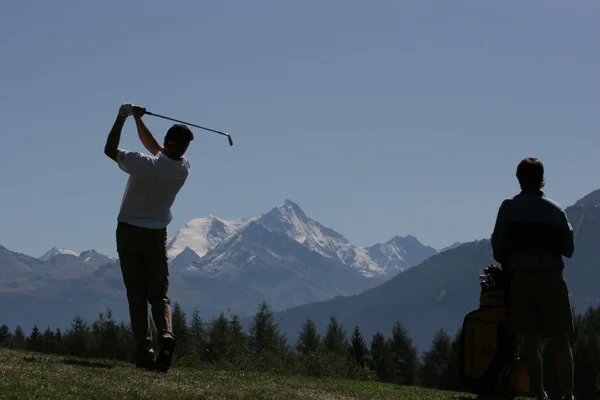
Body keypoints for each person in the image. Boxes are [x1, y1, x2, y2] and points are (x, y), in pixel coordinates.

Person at [103, 103, 193, 372]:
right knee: (158, 294)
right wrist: (138, 120)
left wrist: (122, 117)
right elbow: (158, 148)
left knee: (136, 294)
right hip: (157, 237)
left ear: (167, 143)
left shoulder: (143, 165)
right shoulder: (182, 169)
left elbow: (110, 150)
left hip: (130, 233)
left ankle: (145, 353)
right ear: (185, 148)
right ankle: (166, 334)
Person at [491, 157, 575, 400]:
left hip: (521, 280)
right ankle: (567, 396)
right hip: (551, 278)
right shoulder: (555, 210)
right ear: (542, 179)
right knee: (562, 340)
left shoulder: (508, 208)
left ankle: (540, 393)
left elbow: (497, 246)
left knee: (530, 340)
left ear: (519, 179)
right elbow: (569, 249)